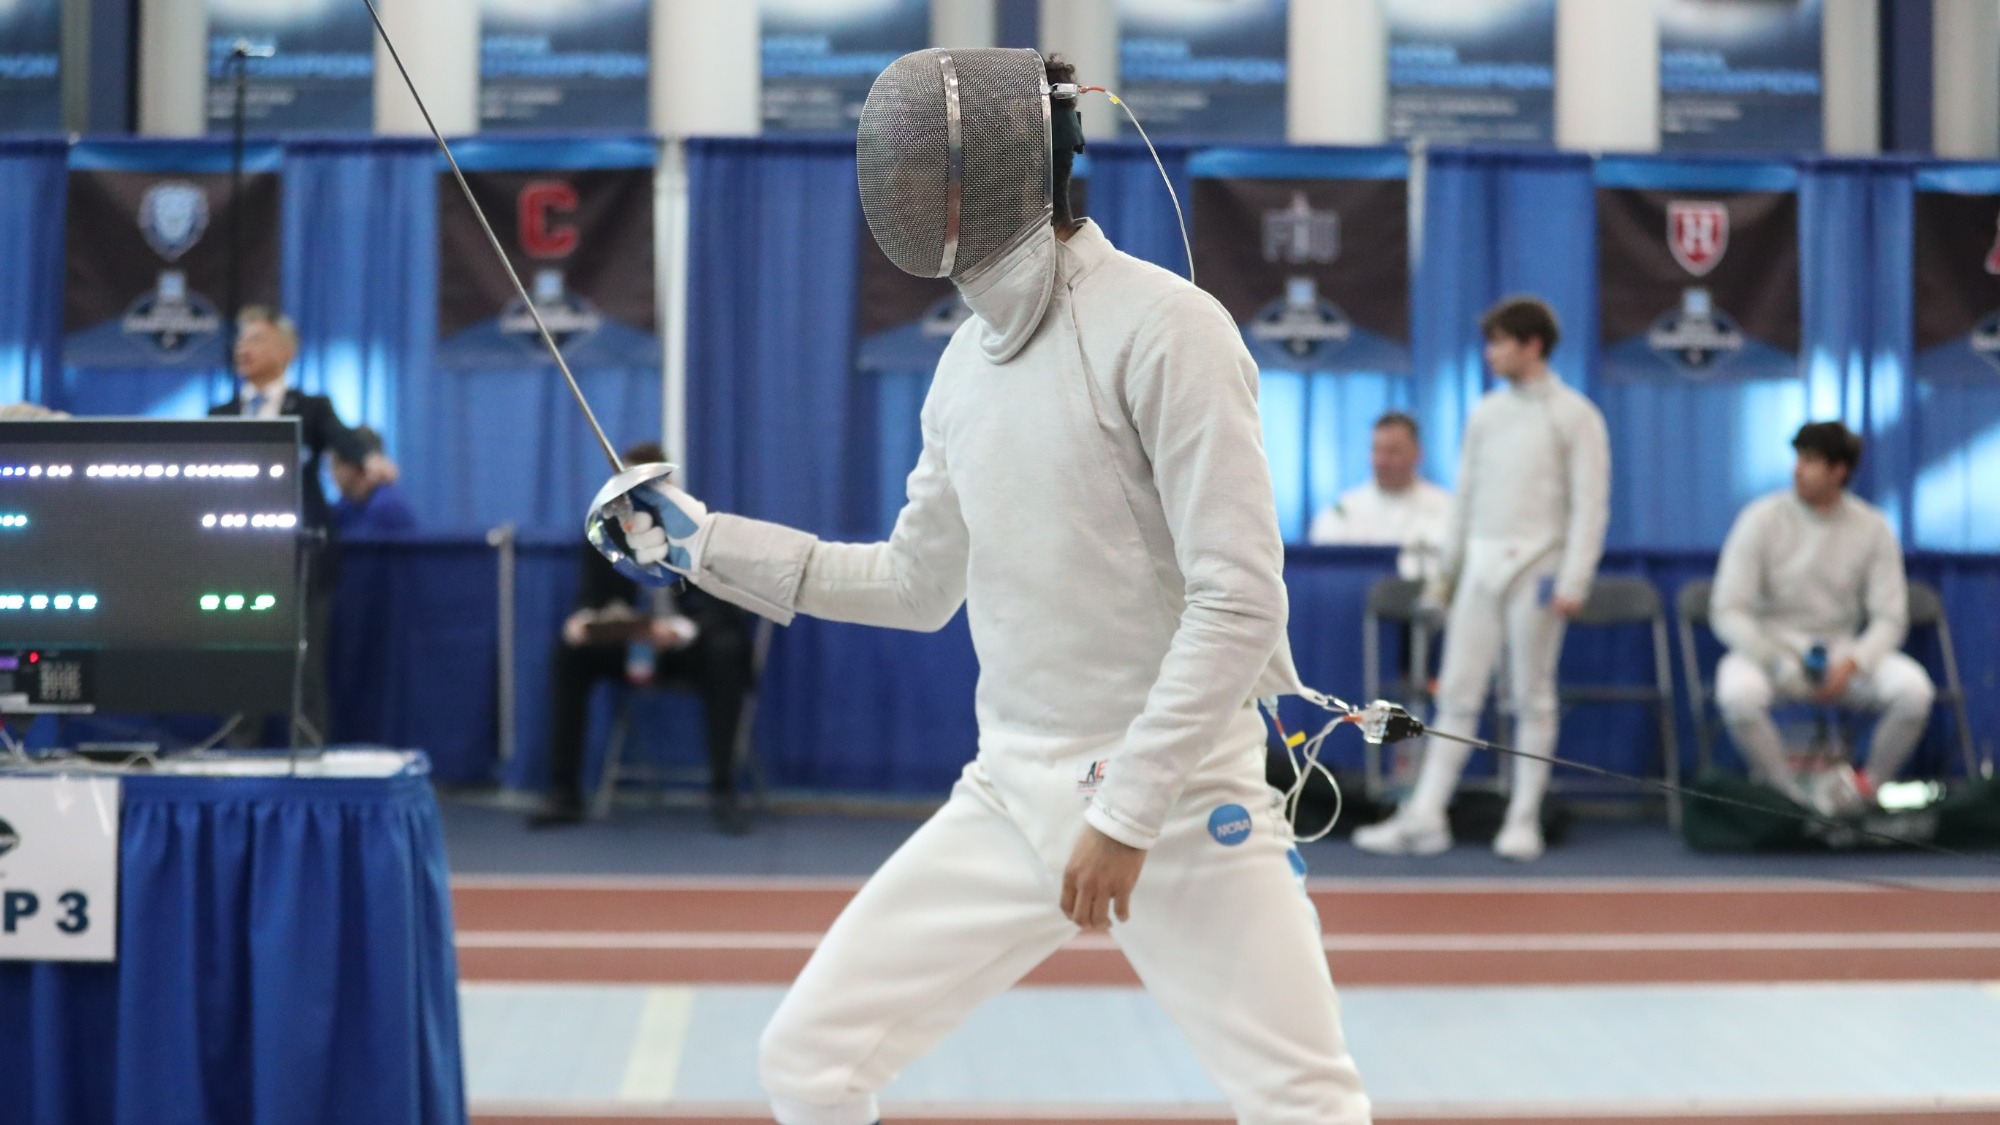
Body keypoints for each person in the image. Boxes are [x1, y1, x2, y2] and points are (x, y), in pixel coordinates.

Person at [607, 49, 1370, 1125]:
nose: (907, 193)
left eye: (929, 167)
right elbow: (915, 583)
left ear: (1006, 169)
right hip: (1011, 792)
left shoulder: (1168, 327)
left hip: (1180, 801)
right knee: (810, 1059)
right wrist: (703, 546)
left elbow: (1240, 599)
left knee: (1303, 1101)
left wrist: (1127, 810)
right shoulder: (964, 365)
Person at [1352, 296, 1610, 862]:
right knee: (1456, 694)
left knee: (1532, 697)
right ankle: (1425, 816)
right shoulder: (1486, 414)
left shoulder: (1576, 415)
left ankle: (1523, 819)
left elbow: (1590, 506)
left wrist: (1574, 580)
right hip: (1480, 568)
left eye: (1500, 342)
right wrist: (1445, 579)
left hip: (1539, 568)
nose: (1491, 353)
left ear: (1532, 345)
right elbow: (1464, 500)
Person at [1710, 421, 1934, 814]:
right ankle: (1788, 799)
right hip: (1772, 650)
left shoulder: (1873, 528)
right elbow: (1728, 610)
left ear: (1838, 471)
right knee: (1737, 696)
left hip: (1842, 653)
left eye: (1811, 460)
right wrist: (1775, 660)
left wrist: (1852, 663)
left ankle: (1863, 792)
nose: (1798, 469)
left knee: (1914, 692)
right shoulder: (1760, 519)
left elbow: (1890, 618)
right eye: (1798, 458)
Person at [533, 445, 756, 835]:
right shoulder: (605, 535)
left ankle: (724, 791)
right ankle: (564, 793)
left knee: (726, 652)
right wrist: (584, 621)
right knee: (569, 654)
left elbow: (725, 612)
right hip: (630, 647)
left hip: (688, 650)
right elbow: (591, 600)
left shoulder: (703, 532)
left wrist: (680, 631)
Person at [209, 307, 364, 743]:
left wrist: (369, 459)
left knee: (307, 663)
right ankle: (238, 753)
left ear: (285, 351)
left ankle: (309, 753)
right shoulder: (221, 414)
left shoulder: (311, 408)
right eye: (240, 339)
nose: (243, 348)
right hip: (237, 558)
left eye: (256, 339)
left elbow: (345, 440)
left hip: (302, 557)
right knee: (241, 660)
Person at [1307, 410, 1452, 579]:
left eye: (1393, 451)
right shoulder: (1344, 510)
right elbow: (1322, 563)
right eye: (1377, 450)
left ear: (1417, 453)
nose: (1382, 460)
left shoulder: (1446, 507)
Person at [329, 426, 417, 534]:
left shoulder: (387, 507)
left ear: (354, 466)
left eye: (335, 465)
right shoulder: (345, 506)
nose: (332, 474)